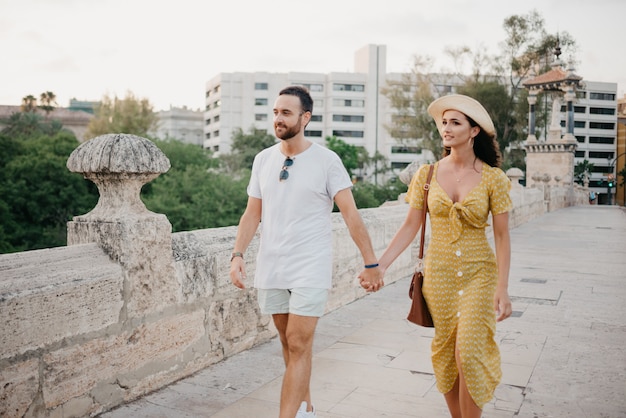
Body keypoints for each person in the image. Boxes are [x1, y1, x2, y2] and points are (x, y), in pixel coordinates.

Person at [230, 85, 384, 418]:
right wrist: (237, 254)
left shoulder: (327, 161)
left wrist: (371, 263)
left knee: (299, 343)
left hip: (309, 266)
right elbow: (252, 213)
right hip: (272, 266)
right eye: (275, 112)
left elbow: (350, 214)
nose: (278, 118)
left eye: (286, 112)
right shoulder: (263, 160)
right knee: (289, 344)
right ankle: (307, 410)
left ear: (305, 117)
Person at [361, 94, 513, 418]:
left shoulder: (494, 179)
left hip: (479, 274)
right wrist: (379, 266)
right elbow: (410, 225)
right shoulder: (426, 175)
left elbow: (502, 235)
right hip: (439, 277)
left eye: (455, 122)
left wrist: (503, 287)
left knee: (469, 353)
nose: (446, 128)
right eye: (444, 122)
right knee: (446, 357)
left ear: (473, 131)